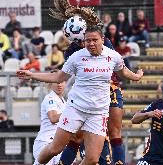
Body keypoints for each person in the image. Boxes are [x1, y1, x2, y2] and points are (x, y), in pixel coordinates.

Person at [16, 26, 144, 165]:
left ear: (102, 39)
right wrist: (32, 75)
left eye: (94, 40)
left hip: (98, 113)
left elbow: (123, 72)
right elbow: (59, 77)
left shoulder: (113, 56)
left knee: (92, 159)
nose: (91, 43)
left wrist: (136, 77)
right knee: (55, 149)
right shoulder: (76, 57)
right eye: (87, 40)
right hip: (76, 109)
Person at [33, 78, 66, 165]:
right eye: (56, 82)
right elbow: (53, 118)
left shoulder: (64, 101)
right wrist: (70, 113)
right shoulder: (50, 98)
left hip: (57, 144)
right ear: (50, 84)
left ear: (65, 83)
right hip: (46, 142)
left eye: (61, 81)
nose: (59, 85)